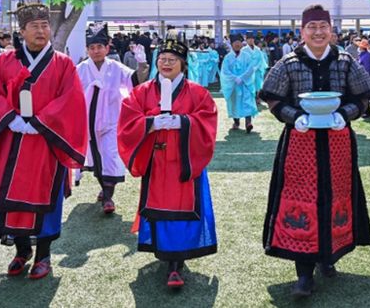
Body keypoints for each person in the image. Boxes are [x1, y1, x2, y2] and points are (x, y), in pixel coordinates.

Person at [259, 4, 370, 299]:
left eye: (323, 26)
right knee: (301, 199)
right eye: (312, 27)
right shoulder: (288, 62)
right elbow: (272, 99)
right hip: (300, 143)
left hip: (338, 142)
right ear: (302, 32)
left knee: (337, 195)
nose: (318, 32)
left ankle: (329, 255)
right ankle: (303, 273)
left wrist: (345, 114)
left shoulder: (346, 61)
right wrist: (294, 117)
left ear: (332, 31)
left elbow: (363, 97)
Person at [0, 0, 87, 280]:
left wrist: (41, 122)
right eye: (34, 26)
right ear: (22, 31)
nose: (41, 31)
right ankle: (22, 250)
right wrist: (10, 118)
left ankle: (44, 255)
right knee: (11, 198)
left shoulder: (63, 63)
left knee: (46, 198)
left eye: (44, 25)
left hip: (46, 142)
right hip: (13, 141)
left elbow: (72, 100)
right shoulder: (5, 61)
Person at [117, 38, 218, 289]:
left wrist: (183, 122)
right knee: (159, 208)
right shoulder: (142, 92)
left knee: (183, 209)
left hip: (184, 163)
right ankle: (163, 252)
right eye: (162, 59)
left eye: (173, 60)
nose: (166, 63)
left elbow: (207, 120)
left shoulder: (197, 93)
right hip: (156, 162)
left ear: (183, 64)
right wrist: (150, 123)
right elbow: (128, 120)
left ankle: (176, 263)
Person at [77, 24, 137, 214]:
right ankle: (104, 188)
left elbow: (134, 81)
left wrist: (142, 64)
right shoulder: (80, 69)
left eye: (99, 47)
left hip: (112, 121)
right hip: (88, 123)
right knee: (96, 157)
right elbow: (69, 93)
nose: (96, 51)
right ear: (87, 50)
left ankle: (108, 196)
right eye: (92, 47)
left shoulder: (116, 67)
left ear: (107, 48)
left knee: (110, 156)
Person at [220, 34, 258, 133]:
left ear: (241, 44)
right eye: (235, 43)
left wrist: (242, 78)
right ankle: (236, 122)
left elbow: (250, 68)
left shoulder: (247, 56)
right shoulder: (228, 57)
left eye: (239, 42)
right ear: (232, 44)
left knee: (247, 102)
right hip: (233, 85)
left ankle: (248, 123)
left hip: (245, 84)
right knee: (234, 103)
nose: (237, 44)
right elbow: (225, 71)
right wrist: (234, 78)